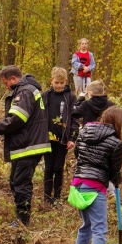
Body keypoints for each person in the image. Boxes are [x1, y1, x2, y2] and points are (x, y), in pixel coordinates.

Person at [0, 67, 50, 227]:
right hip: (28, 143)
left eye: (6, 83)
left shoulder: (24, 92)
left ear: (13, 78)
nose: (6, 87)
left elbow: (18, 119)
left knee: (21, 183)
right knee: (15, 181)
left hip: (27, 144)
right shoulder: (29, 90)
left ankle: (22, 221)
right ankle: (20, 217)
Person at [69, 107, 122, 244]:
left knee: (86, 225)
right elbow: (115, 170)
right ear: (118, 123)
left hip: (78, 184)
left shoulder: (85, 132)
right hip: (94, 186)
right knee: (99, 228)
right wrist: (116, 182)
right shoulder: (116, 143)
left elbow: (78, 154)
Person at [41, 67, 79, 205]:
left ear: (66, 82)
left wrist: (72, 138)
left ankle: (57, 197)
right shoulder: (45, 96)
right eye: (56, 82)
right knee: (48, 168)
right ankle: (46, 197)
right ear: (51, 81)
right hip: (47, 138)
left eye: (61, 83)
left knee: (58, 167)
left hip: (63, 139)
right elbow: (39, 117)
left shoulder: (71, 97)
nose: (58, 85)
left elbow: (75, 119)